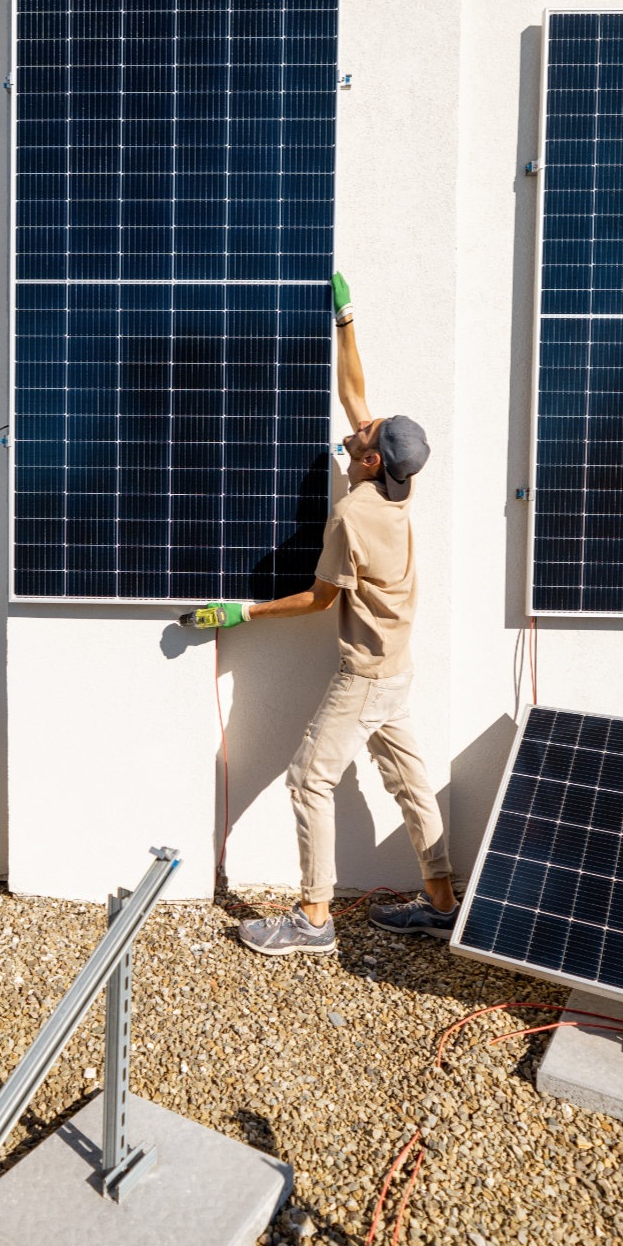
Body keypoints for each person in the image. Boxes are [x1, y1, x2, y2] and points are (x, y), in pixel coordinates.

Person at [191, 271, 457, 956]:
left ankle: (313, 916)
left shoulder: (353, 516)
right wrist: (347, 320)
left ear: (370, 460)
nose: (359, 424)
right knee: (409, 779)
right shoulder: (395, 491)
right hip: (397, 668)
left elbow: (319, 599)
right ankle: (439, 899)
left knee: (310, 778)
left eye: (364, 437)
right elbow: (355, 394)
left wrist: (243, 611)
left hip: (366, 673)